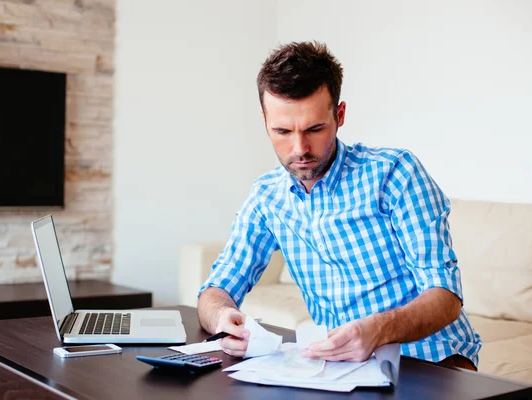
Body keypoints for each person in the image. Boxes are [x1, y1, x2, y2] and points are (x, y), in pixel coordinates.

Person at [197, 41, 481, 370]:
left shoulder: (395, 173)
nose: (299, 148)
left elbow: (445, 296)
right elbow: (215, 289)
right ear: (264, 120)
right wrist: (221, 316)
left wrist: (379, 330)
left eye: (314, 128)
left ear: (339, 115)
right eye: (282, 131)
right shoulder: (267, 197)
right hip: (340, 368)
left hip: (433, 359)